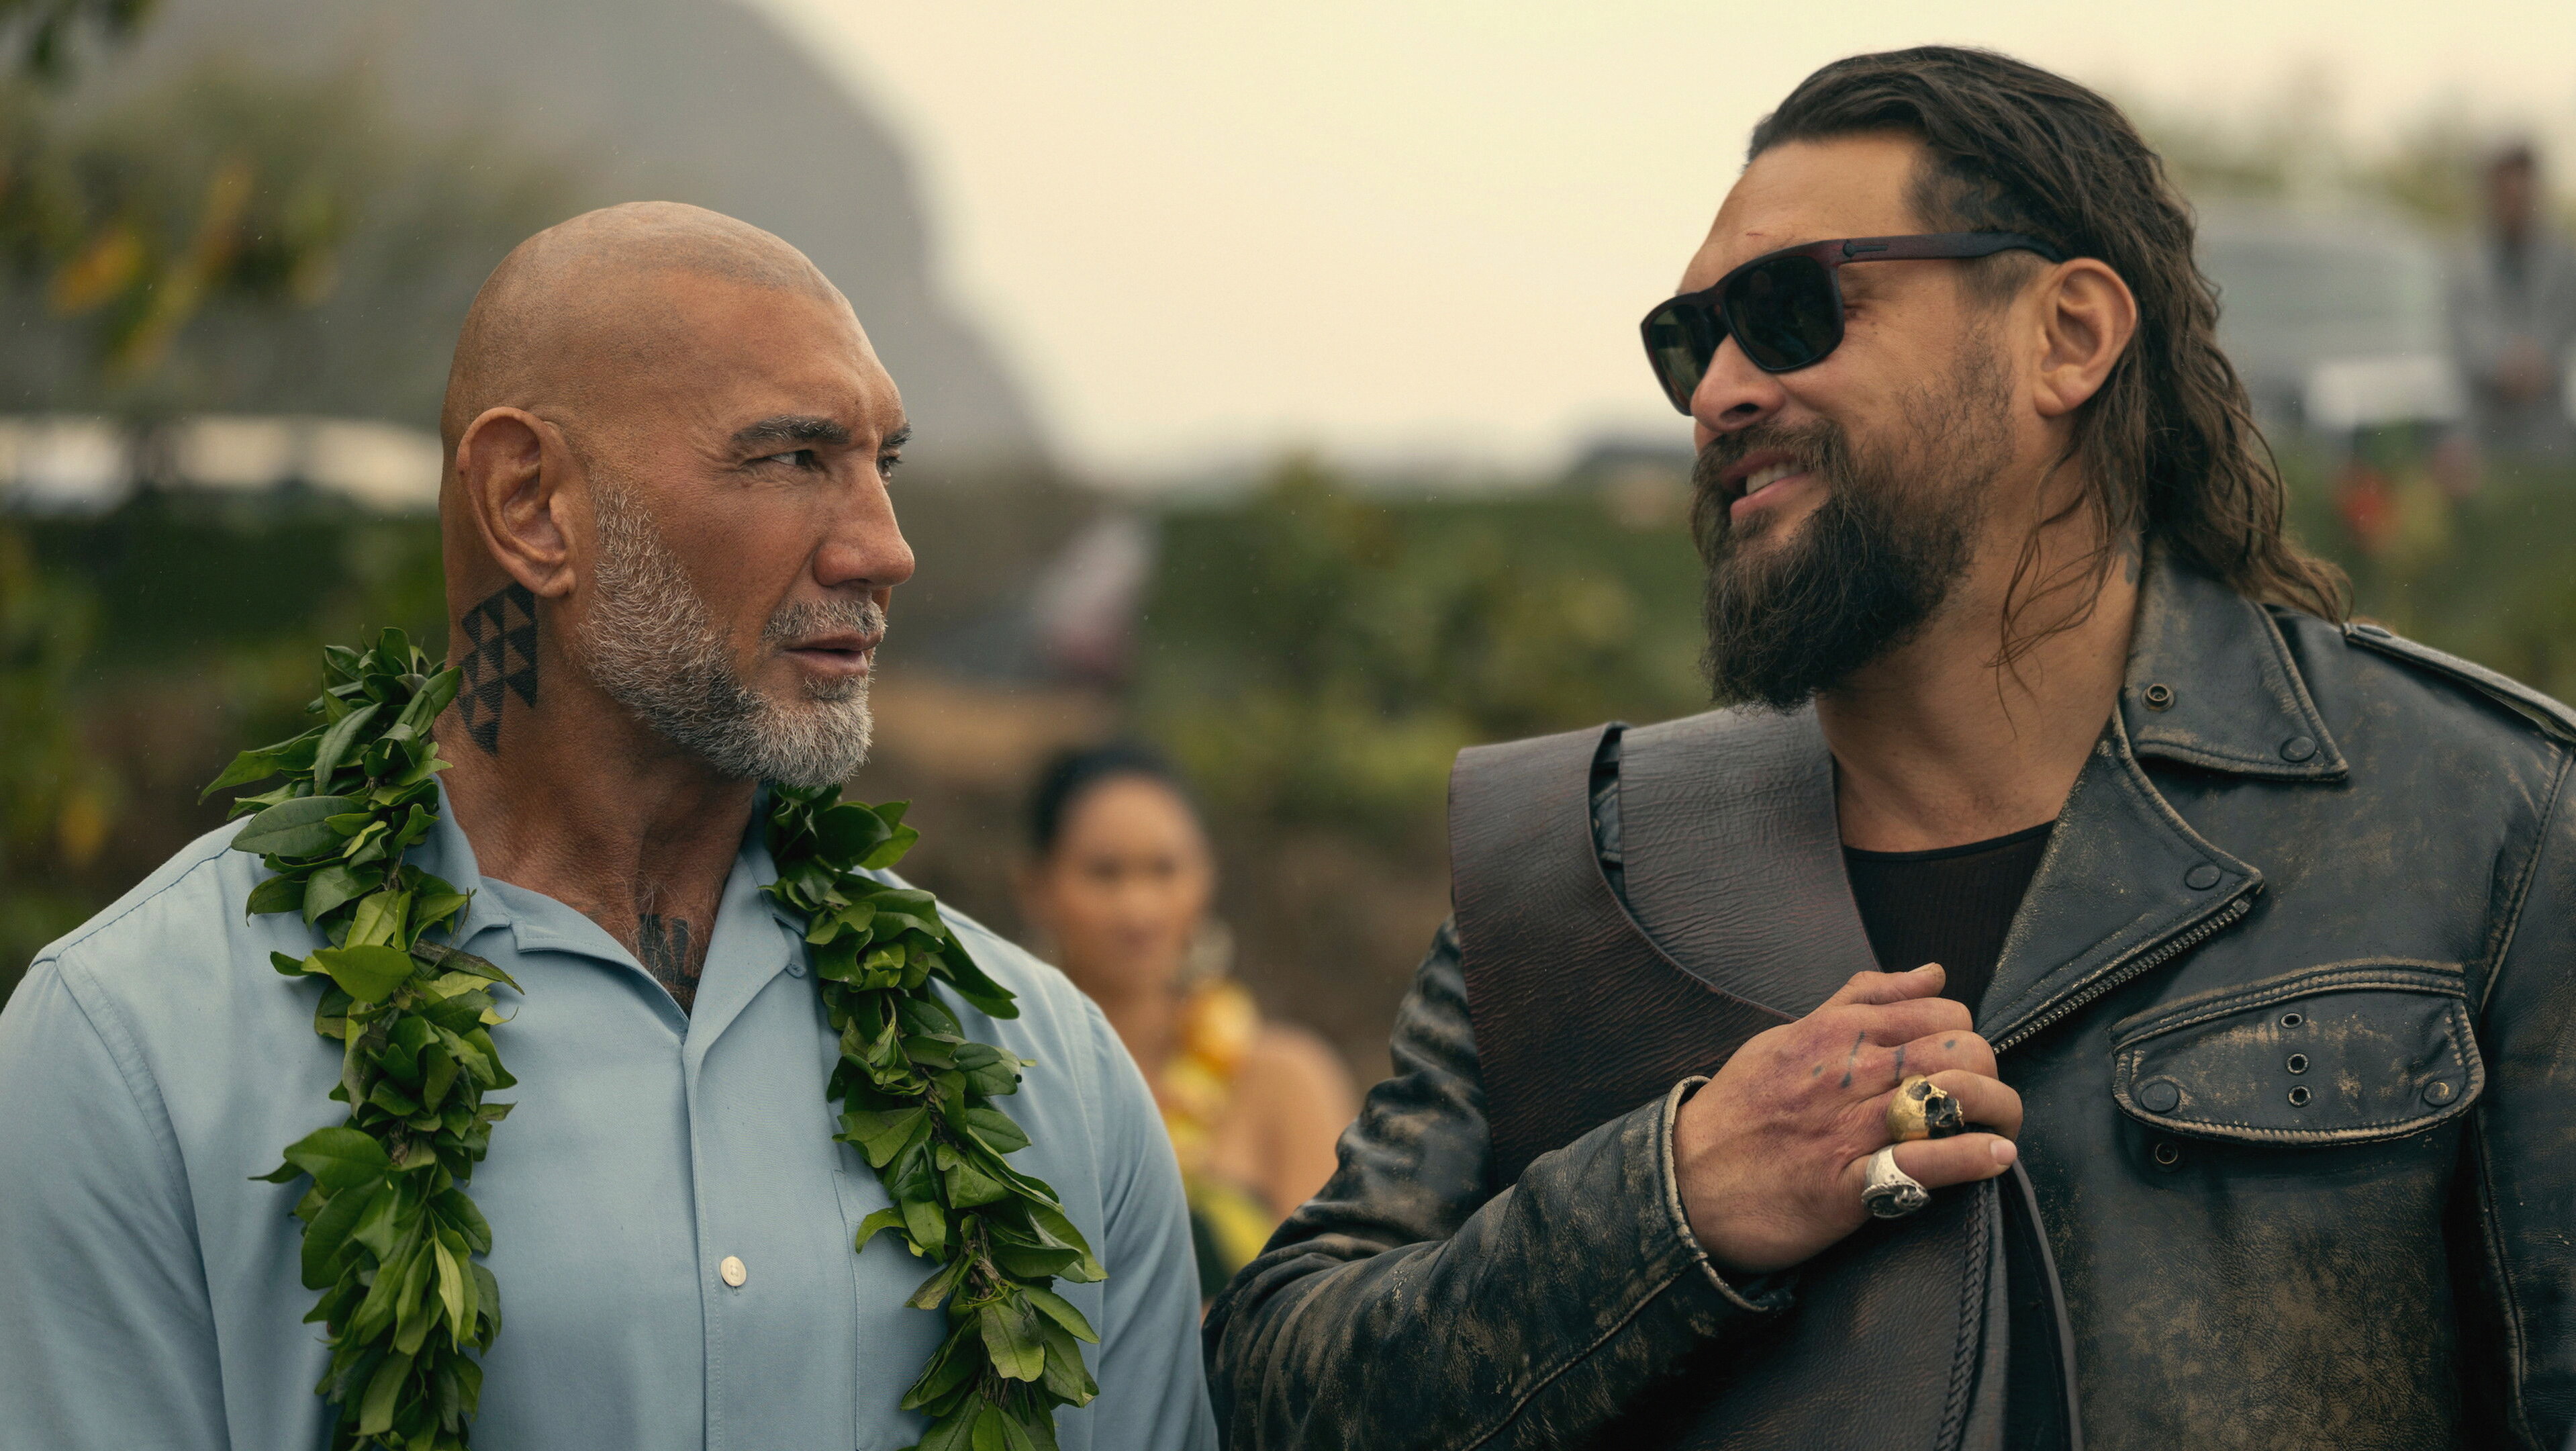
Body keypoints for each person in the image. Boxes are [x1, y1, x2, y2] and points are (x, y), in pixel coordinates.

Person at [1207, 47, 2576, 1451]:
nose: (1717, 392)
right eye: (1689, 343)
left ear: (2066, 335)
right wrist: (1672, 1202)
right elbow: (1270, 1393)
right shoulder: (1573, 867)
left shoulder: (2485, 816)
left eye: (1790, 310)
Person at [0, 203, 1216, 1450]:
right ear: (530, 502)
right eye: (793, 458)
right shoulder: (138, 1053)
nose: (883, 548)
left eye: (881, 464)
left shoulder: (1045, 1070)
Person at [1016, 743, 1356, 1301]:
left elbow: (1332, 1314)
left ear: (1206, 876)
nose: (1138, 908)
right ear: (1036, 888)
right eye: (1105, 873)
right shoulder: (1008, 1080)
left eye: (1164, 869)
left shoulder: (1284, 1080)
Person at [2448, 141, 2576, 461]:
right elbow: (2463, 332)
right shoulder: (2466, 260)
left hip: (2547, 432)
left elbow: (2563, 322)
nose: (2514, 204)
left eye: (2522, 195)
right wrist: (2503, 362)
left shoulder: (2563, 260)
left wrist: (2536, 360)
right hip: (2484, 430)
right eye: (2506, 194)